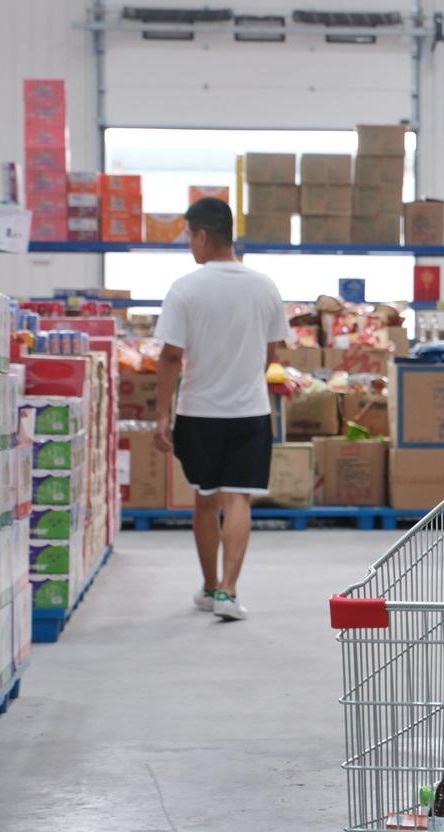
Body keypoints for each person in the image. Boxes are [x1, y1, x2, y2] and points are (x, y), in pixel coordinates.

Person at [153, 197, 289, 621]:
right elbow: (272, 353)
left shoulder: (186, 288)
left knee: (205, 501)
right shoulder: (264, 285)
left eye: (190, 237)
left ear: (203, 235)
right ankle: (229, 592)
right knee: (240, 500)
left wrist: (162, 414)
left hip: (199, 412)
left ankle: (210, 585)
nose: (190, 246)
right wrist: (244, 378)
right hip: (250, 411)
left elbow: (171, 357)